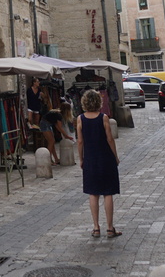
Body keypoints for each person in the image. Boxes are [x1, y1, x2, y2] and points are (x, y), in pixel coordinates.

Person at [77, 88, 120, 239]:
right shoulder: (103, 118)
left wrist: (81, 158)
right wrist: (115, 156)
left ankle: (96, 227)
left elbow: (80, 141)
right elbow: (110, 139)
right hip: (105, 158)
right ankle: (110, 228)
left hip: (90, 159)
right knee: (108, 192)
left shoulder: (80, 119)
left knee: (93, 193)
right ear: (99, 102)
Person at [40, 101, 75, 165]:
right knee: (51, 141)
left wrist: (65, 135)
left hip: (47, 124)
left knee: (52, 142)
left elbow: (57, 126)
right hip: (45, 124)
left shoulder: (58, 113)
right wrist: (66, 135)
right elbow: (59, 127)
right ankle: (48, 159)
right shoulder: (59, 115)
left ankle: (56, 159)